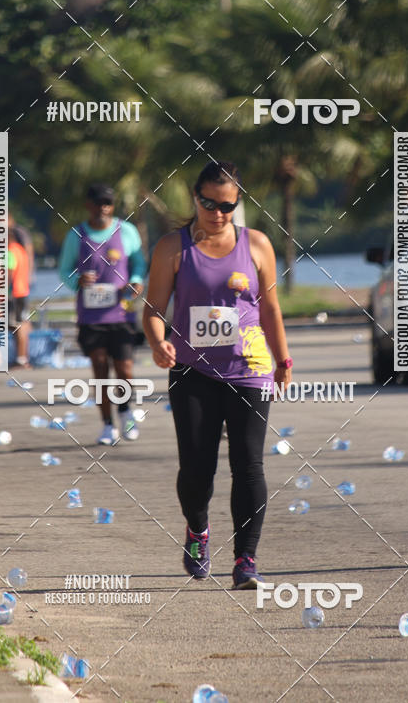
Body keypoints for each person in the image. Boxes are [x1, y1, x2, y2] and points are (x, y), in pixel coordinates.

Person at [143, 162, 292, 589]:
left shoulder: (258, 244)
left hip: (250, 371)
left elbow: (270, 309)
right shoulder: (172, 248)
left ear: (237, 203)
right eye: (209, 203)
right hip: (193, 372)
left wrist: (283, 361)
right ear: (196, 199)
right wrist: (158, 342)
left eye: (227, 205)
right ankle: (198, 530)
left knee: (248, 466)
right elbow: (153, 310)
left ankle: (246, 560)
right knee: (196, 469)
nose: (218, 212)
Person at [59, 183, 146, 444]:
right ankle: (107, 425)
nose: (103, 208)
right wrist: (77, 280)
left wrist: (138, 279)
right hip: (91, 317)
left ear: (113, 206)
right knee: (99, 369)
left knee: (125, 369)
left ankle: (125, 412)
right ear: (88, 205)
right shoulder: (76, 235)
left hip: (122, 315)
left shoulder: (126, 231)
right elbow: (64, 270)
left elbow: (139, 262)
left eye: (107, 203)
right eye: (98, 203)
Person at [8, 228, 31, 368]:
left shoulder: (10, 251)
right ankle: (22, 358)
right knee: (22, 324)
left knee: (16, 326)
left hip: (14, 293)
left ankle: (21, 359)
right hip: (23, 291)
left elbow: (8, 274)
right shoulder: (20, 250)